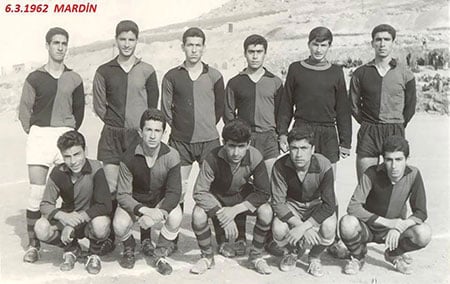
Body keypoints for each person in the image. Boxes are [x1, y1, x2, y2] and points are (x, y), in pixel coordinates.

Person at [277, 26, 352, 258]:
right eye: (315, 44)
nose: (319, 49)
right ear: (308, 44)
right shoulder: (296, 69)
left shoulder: (337, 72)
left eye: (324, 45)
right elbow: (286, 103)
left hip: (328, 133)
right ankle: (293, 232)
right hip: (301, 128)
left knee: (328, 186)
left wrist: (345, 141)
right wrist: (282, 132)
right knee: (297, 184)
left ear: (329, 46)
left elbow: (343, 108)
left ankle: (334, 239)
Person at [18, 27, 85, 263]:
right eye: (56, 42)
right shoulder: (34, 77)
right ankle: (34, 244)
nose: (60, 47)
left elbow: (79, 112)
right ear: (47, 45)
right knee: (36, 192)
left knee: (70, 190)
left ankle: (70, 243)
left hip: (64, 135)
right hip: (39, 135)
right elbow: (24, 111)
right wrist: (36, 131)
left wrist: (67, 132)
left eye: (64, 43)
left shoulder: (74, 77)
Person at [93, 20, 159, 252]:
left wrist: (138, 129)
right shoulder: (104, 70)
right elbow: (99, 106)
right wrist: (115, 123)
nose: (127, 44)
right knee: (113, 188)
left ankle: (146, 237)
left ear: (137, 41)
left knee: (141, 187)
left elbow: (153, 107)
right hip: (111, 136)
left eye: (131, 39)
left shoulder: (148, 70)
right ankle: (114, 235)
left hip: (137, 137)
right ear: (116, 40)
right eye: (123, 39)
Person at [224, 34, 283, 257]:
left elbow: (282, 111)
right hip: (244, 141)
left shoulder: (275, 81)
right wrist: (237, 136)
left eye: (259, 52)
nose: (255, 56)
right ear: (245, 53)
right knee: (238, 186)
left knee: (268, 188)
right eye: (251, 51)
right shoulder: (236, 82)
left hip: (268, 139)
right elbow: (229, 112)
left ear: (265, 54)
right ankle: (239, 238)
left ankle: (267, 238)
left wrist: (280, 134)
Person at [190, 119, 273, 275]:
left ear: (248, 144)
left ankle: (255, 256)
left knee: (266, 211)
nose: (236, 153)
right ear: (223, 143)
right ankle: (207, 257)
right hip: (218, 198)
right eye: (232, 146)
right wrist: (223, 215)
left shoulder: (255, 156)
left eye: (241, 147)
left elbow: (264, 192)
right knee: (197, 214)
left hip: (240, 196)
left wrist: (234, 211)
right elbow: (199, 192)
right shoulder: (212, 157)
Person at [340, 135, 431, 275]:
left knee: (424, 233)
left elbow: (420, 212)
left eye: (399, 159)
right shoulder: (372, 173)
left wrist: (400, 227)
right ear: (383, 159)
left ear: (407, 159)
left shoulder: (414, 174)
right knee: (347, 223)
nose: (394, 166)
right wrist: (389, 223)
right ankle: (358, 257)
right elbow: (353, 207)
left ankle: (393, 254)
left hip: (393, 232)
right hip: (368, 227)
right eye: (389, 160)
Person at [161, 27, 224, 216]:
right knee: (177, 191)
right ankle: (172, 240)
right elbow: (165, 109)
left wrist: (205, 126)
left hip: (209, 141)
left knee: (214, 190)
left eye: (198, 45)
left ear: (204, 47)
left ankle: (220, 240)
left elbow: (219, 109)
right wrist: (181, 127)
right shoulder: (171, 76)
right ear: (183, 47)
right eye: (190, 45)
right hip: (180, 142)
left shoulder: (214, 75)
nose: (194, 50)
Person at [114, 108, 182, 275]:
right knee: (119, 224)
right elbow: (122, 195)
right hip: (136, 202)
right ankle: (129, 247)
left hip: (158, 201)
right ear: (140, 131)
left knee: (176, 216)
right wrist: (145, 211)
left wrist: (159, 212)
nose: (152, 136)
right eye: (148, 130)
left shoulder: (172, 155)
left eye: (157, 131)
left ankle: (159, 255)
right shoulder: (128, 156)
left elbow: (174, 192)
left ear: (163, 133)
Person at [34, 130, 112, 274]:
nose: (73, 161)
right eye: (67, 156)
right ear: (62, 156)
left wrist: (73, 221)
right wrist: (64, 217)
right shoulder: (57, 172)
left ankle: (93, 253)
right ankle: (71, 248)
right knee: (40, 227)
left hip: (90, 220)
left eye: (77, 154)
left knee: (101, 224)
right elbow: (45, 204)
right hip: (68, 219)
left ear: (85, 151)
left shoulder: (96, 168)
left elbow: (105, 205)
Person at [350, 24, 416, 180]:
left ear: (393, 42)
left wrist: (397, 123)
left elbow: (410, 106)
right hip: (369, 131)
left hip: (395, 130)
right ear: (372, 43)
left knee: (394, 183)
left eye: (387, 39)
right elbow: (353, 104)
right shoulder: (361, 72)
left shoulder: (405, 73)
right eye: (378, 39)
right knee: (365, 183)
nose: (382, 43)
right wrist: (367, 122)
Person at [271, 126, 337, 277]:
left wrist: (306, 226)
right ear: (289, 148)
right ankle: (292, 252)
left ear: (312, 149)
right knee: (278, 228)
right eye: (294, 148)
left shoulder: (324, 164)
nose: (299, 154)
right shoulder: (280, 165)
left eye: (304, 148)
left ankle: (314, 257)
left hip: (316, 204)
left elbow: (329, 204)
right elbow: (278, 203)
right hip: (292, 204)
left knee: (329, 226)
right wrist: (301, 227)